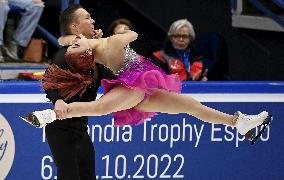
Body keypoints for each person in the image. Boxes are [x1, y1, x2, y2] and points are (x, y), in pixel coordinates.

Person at [22, 27, 271, 145]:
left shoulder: (91, 47)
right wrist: (115, 35)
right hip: (131, 84)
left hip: (144, 87)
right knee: (99, 108)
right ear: (84, 53)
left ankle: (239, 123)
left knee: (190, 105)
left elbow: (66, 39)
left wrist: (82, 38)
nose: (74, 41)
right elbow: (133, 35)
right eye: (76, 45)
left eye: (76, 43)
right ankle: (49, 115)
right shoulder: (109, 44)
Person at [29, 5, 112, 180]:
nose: (93, 21)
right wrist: (57, 100)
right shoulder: (66, 54)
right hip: (61, 127)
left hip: (81, 128)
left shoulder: (94, 54)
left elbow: (111, 76)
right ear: (75, 27)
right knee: (70, 176)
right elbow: (49, 79)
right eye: (88, 18)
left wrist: (101, 46)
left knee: (87, 175)